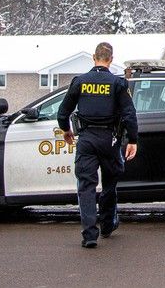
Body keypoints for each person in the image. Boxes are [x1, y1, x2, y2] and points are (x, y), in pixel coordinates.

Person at [57, 42, 138, 248]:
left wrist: (66, 130)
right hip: (110, 140)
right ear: (111, 59)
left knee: (86, 186)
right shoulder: (118, 84)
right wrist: (133, 140)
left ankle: (90, 235)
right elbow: (129, 114)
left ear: (94, 58)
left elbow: (63, 112)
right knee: (109, 184)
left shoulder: (80, 82)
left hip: (86, 140)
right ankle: (108, 224)